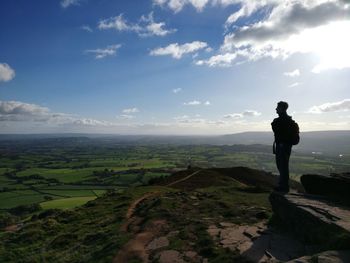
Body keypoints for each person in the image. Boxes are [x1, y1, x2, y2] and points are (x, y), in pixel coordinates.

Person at [271, 101, 296, 193]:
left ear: (282, 108)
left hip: (282, 146)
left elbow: (275, 129)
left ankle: (284, 187)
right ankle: (283, 185)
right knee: (282, 166)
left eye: (277, 107)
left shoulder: (281, 120)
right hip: (284, 146)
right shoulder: (288, 120)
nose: (276, 109)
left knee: (283, 166)